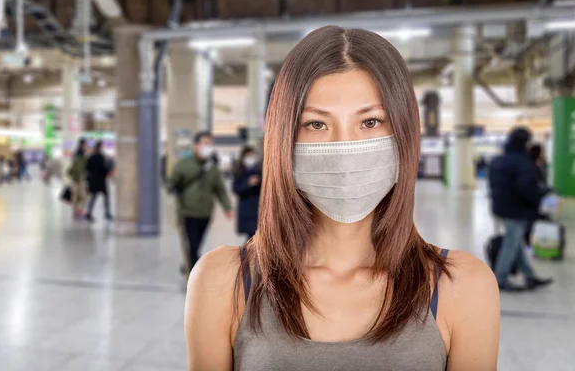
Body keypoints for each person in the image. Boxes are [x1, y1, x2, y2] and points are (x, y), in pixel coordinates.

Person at [185, 27, 500, 371]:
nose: (344, 148)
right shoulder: (222, 281)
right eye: (316, 124)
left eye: (370, 121)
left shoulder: (464, 286)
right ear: (283, 140)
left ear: (405, 134)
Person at [488, 127, 553, 291]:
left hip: (500, 208)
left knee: (515, 242)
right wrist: (540, 198)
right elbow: (526, 187)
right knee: (511, 243)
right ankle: (500, 279)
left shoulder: (498, 159)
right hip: (516, 210)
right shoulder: (522, 162)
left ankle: (530, 275)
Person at [168, 132, 233, 275]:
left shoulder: (213, 168)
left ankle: (189, 265)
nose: (207, 147)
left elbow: (220, 189)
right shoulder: (183, 165)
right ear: (196, 146)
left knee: (197, 244)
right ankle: (191, 273)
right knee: (192, 243)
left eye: (210, 144)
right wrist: (173, 187)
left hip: (206, 212)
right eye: (204, 143)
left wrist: (228, 208)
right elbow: (170, 184)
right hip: (187, 211)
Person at [232, 146, 262, 242]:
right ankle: (247, 255)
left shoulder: (260, 170)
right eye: (248, 155)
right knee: (251, 236)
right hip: (245, 208)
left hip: (258, 207)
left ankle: (249, 254)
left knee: (256, 236)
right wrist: (248, 184)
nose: (251, 158)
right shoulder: (239, 171)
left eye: (253, 155)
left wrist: (259, 181)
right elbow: (236, 189)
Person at [85, 141, 112, 222]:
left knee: (93, 197)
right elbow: (103, 169)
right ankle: (107, 213)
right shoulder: (101, 157)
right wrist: (107, 172)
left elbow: (87, 168)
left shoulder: (91, 157)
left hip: (93, 181)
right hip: (100, 181)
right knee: (106, 196)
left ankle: (89, 213)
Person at [68, 139, 88, 219]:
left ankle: (78, 211)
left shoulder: (83, 156)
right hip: (77, 179)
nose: (86, 147)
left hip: (80, 179)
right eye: (85, 145)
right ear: (81, 145)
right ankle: (76, 211)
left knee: (82, 196)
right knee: (77, 196)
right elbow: (73, 168)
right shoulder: (78, 156)